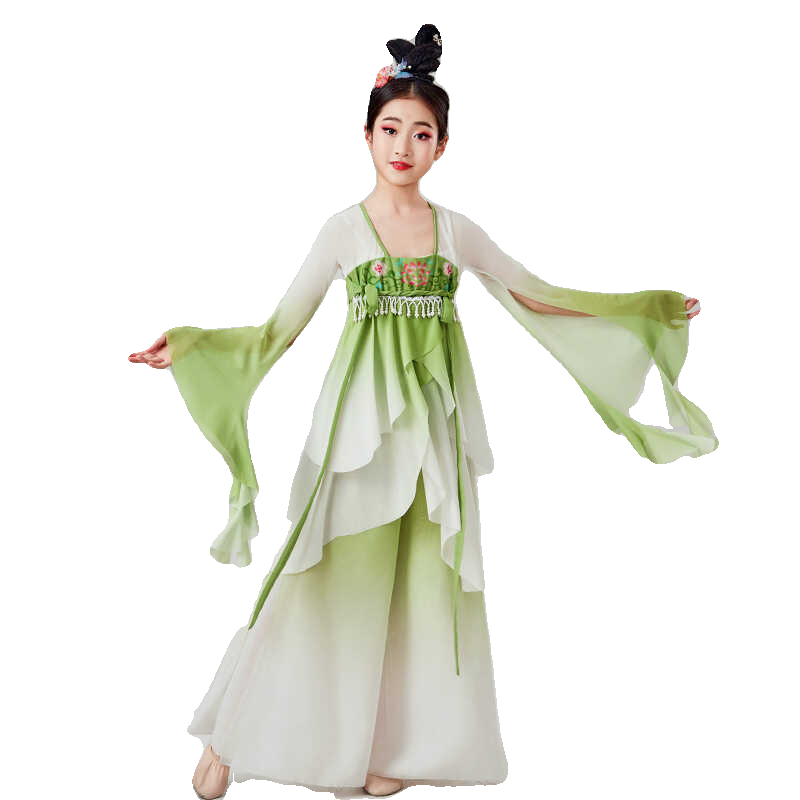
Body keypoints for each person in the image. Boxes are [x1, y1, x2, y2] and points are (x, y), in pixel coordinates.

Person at [128, 24, 713, 800]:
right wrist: (193, 345)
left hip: (433, 438)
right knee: (317, 576)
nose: (403, 146)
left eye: (422, 133)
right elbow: (275, 333)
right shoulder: (343, 231)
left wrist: (646, 308)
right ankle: (230, 735)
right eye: (391, 129)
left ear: (442, 146)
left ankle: (381, 749)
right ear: (367, 135)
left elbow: (537, 294)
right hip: (357, 436)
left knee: (415, 591)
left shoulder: (453, 231)